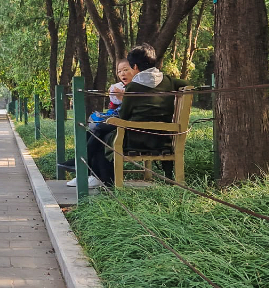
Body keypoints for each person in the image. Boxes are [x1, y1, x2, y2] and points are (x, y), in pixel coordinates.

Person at [77, 43, 189, 188]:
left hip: (137, 139)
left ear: (135, 66)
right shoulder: (168, 81)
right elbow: (186, 83)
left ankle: (99, 177)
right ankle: (84, 168)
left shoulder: (134, 86)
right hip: (163, 138)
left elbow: (123, 117)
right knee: (100, 130)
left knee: (100, 134)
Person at [60, 58, 135, 178]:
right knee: (91, 133)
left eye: (126, 70)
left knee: (100, 131)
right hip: (119, 120)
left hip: (130, 127)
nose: (123, 74)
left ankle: (82, 165)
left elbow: (131, 110)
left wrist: (122, 98)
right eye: (119, 71)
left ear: (135, 68)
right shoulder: (121, 87)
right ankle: (86, 173)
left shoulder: (137, 87)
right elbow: (114, 108)